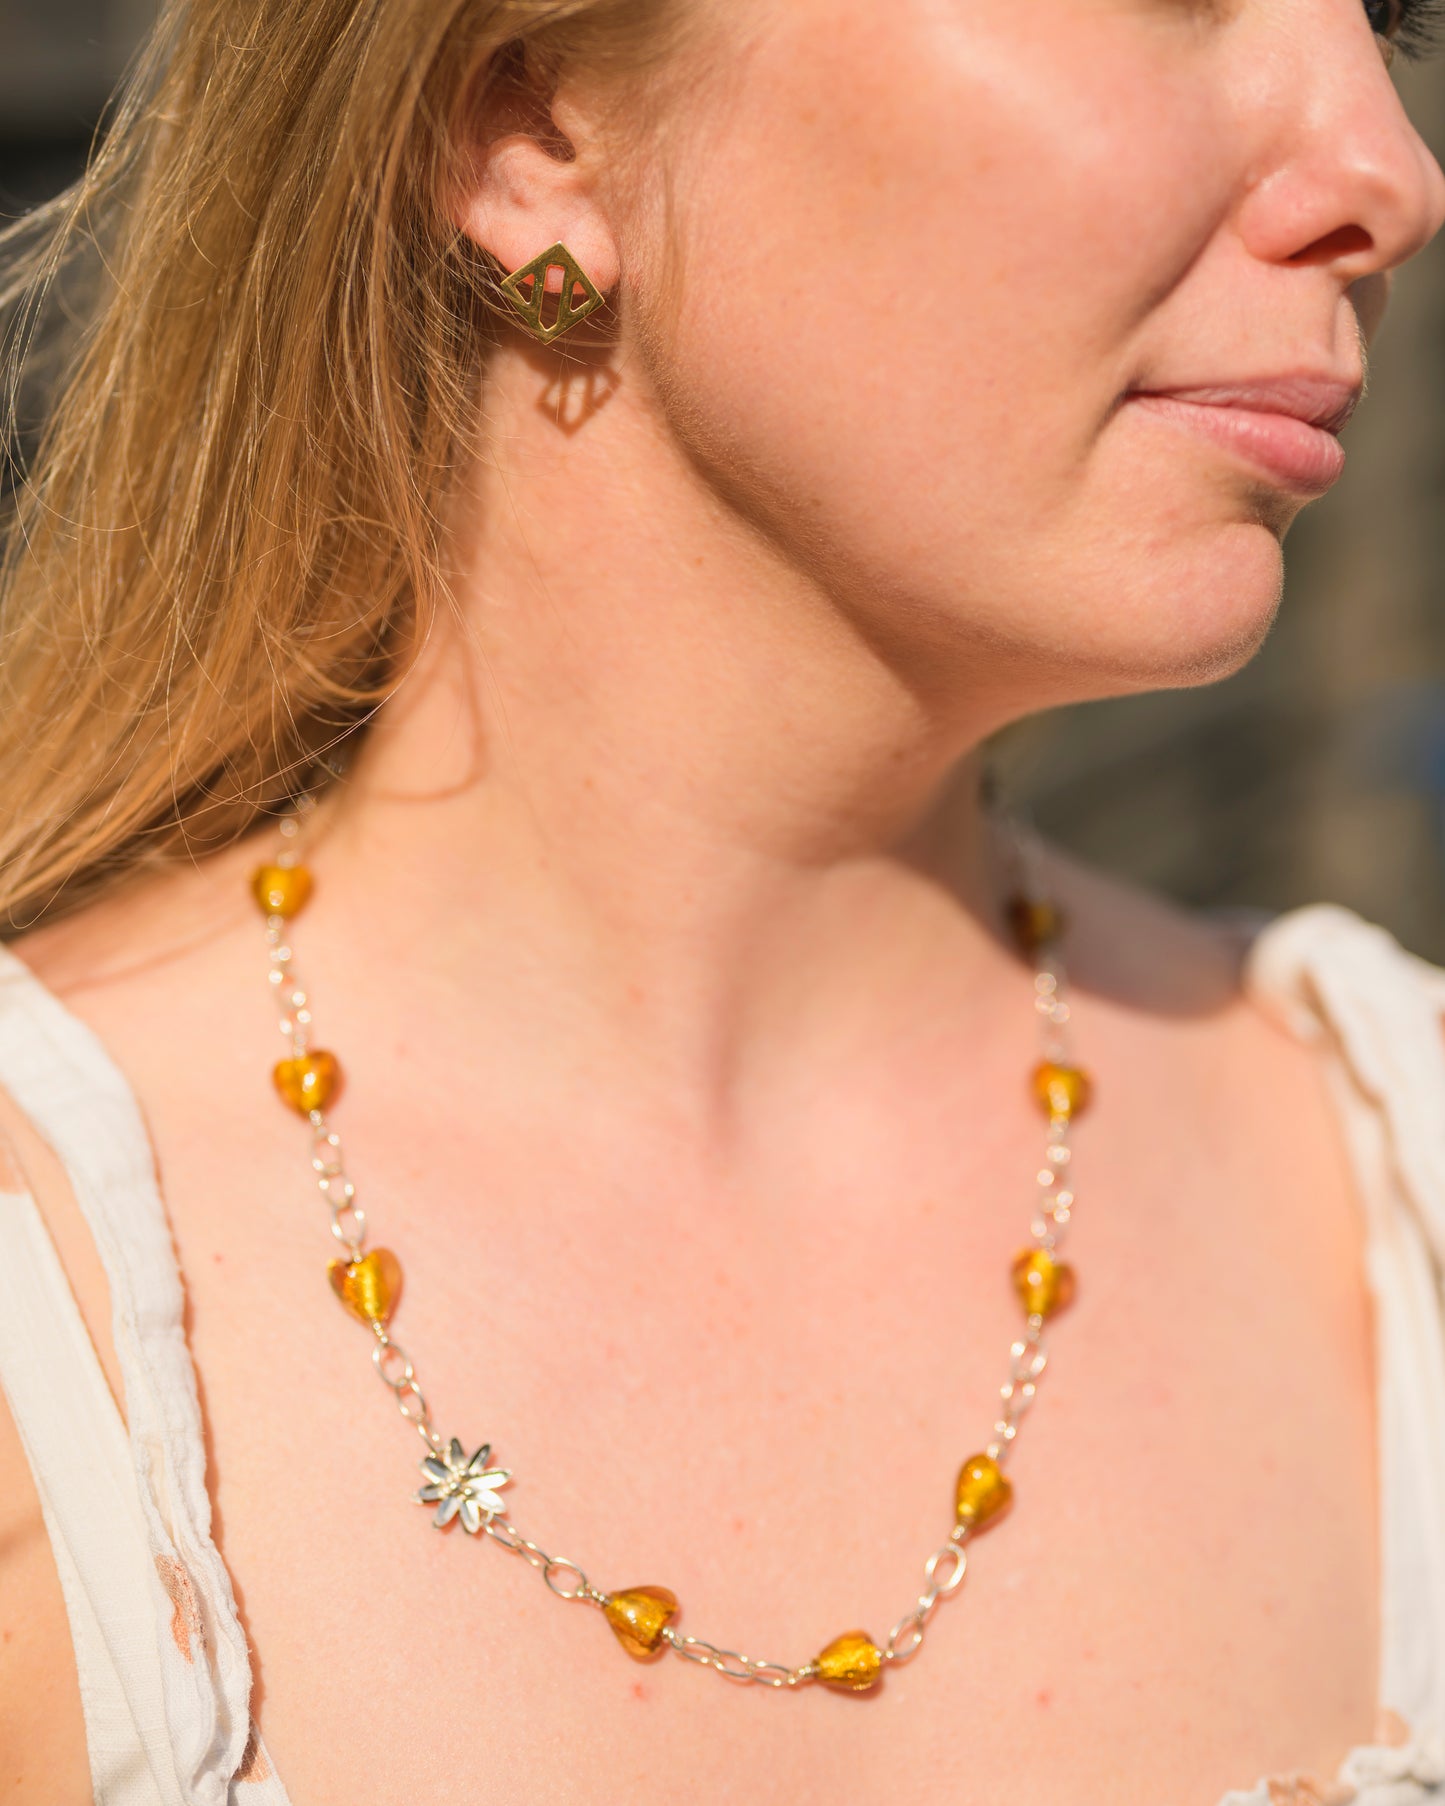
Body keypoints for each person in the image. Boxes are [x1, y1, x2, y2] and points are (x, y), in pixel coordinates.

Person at [3, 0, 1445, 1800]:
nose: (1391, 171)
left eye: (1390, 16)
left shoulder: (1402, 1196)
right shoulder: (50, 1338)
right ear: (529, 131)